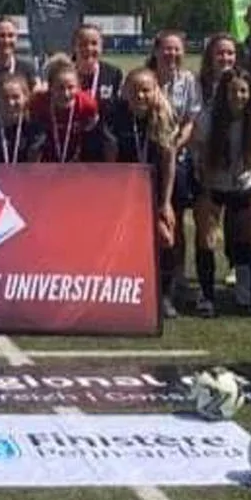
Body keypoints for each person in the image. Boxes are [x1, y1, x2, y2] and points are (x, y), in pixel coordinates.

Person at [191, 67, 251, 318]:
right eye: (232, 91)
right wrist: (205, 194)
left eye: (243, 91)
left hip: (245, 185)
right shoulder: (208, 118)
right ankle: (206, 296)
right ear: (222, 93)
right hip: (213, 184)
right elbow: (202, 158)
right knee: (207, 235)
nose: (238, 96)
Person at [112, 68, 179, 317]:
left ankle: (164, 296)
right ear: (124, 92)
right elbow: (110, 163)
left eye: (146, 90)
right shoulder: (114, 116)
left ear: (155, 91)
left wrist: (166, 202)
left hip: (155, 190)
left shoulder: (164, 117)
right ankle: (122, 291)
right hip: (124, 192)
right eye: (134, 90)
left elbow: (169, 163)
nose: (140, 95)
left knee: (166, 238)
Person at [148, 29, 202, 304]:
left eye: (177, 49)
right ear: (156, 51)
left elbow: (191, 119)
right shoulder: (145, 79)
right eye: (166, 49)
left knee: (175, 218)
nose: (172, 54)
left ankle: (178, 275)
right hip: (147, 158)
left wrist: (176, 144)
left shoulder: (189, 81)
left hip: (178, 160)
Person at [30, 60, 110, 164]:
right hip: (48, 158)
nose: (66, 94)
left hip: (76, 159)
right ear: (50, 88)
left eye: (71, 87)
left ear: (78, 87)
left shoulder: (87, 105)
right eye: (60, 88)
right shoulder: (39, 102)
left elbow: (91, 134)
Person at [72, 23, 124, 109]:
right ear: (74, 47)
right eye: (83, 44)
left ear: (101, 47)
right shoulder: (64, 73)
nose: (89, 48)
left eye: (94, 43)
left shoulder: (114, 74)